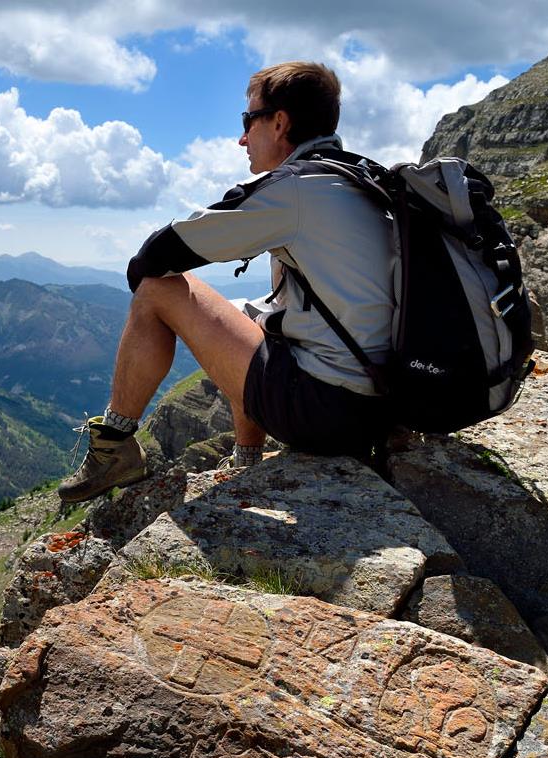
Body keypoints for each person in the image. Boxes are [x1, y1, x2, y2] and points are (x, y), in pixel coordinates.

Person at [57, 61, 397, 505]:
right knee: (250, 315)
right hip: (383, 404)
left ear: (279, 122)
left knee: (158, 290)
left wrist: (144, 289)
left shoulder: (296, 189)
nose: (241, 138)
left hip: (326, 410)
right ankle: (248, 461)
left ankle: (114, 448)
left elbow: (157, 255)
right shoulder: (362, 180)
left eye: (247, 120)